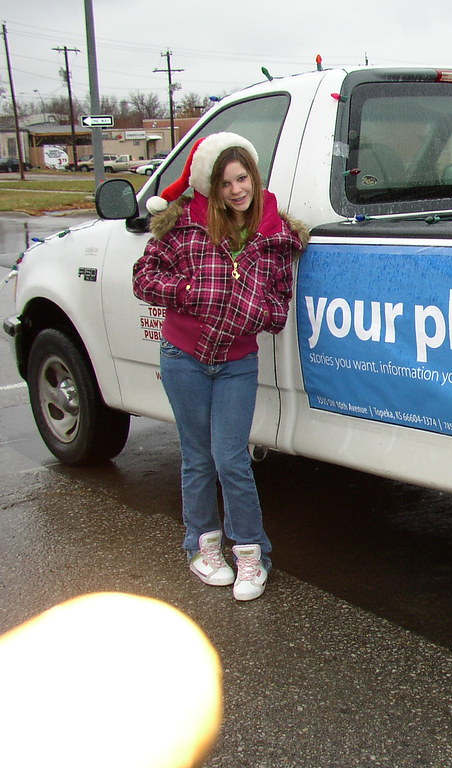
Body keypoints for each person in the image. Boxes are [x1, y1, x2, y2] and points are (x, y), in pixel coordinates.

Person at [133, 132, 308, 602]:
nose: (236, 190)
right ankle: (202, 546)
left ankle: (251, 552)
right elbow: (144, 278)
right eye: (225, 181)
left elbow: (277, 307)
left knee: (231, 457)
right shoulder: (185, 229)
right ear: (210, 186)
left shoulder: (271, 236)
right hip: (183, 358)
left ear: (253, 177)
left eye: (242, 177)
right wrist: (190, 294)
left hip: (236, 363)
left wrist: (249, 307)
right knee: (197, 456)